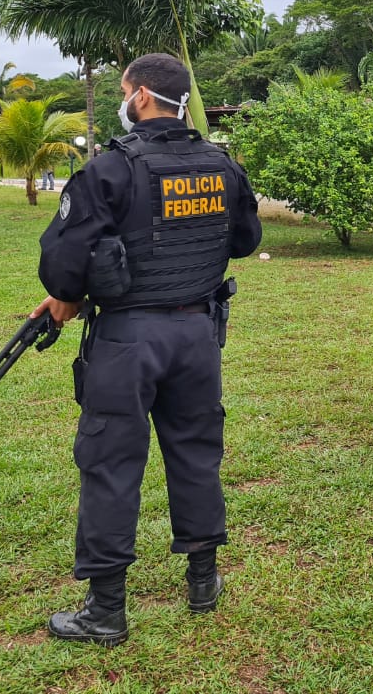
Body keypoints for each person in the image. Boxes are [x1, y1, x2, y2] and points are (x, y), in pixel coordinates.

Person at [32, 53, 262, 646]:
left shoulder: (110, 169)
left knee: (111, 464)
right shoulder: (222, 166)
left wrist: (72, 295)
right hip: (198, 336)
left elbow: (62, 265)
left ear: (139, 98)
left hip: (129, 339)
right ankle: (203, 582)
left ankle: (105, 612)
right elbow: (245, 240)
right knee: (196, 452)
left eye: (123, 90)